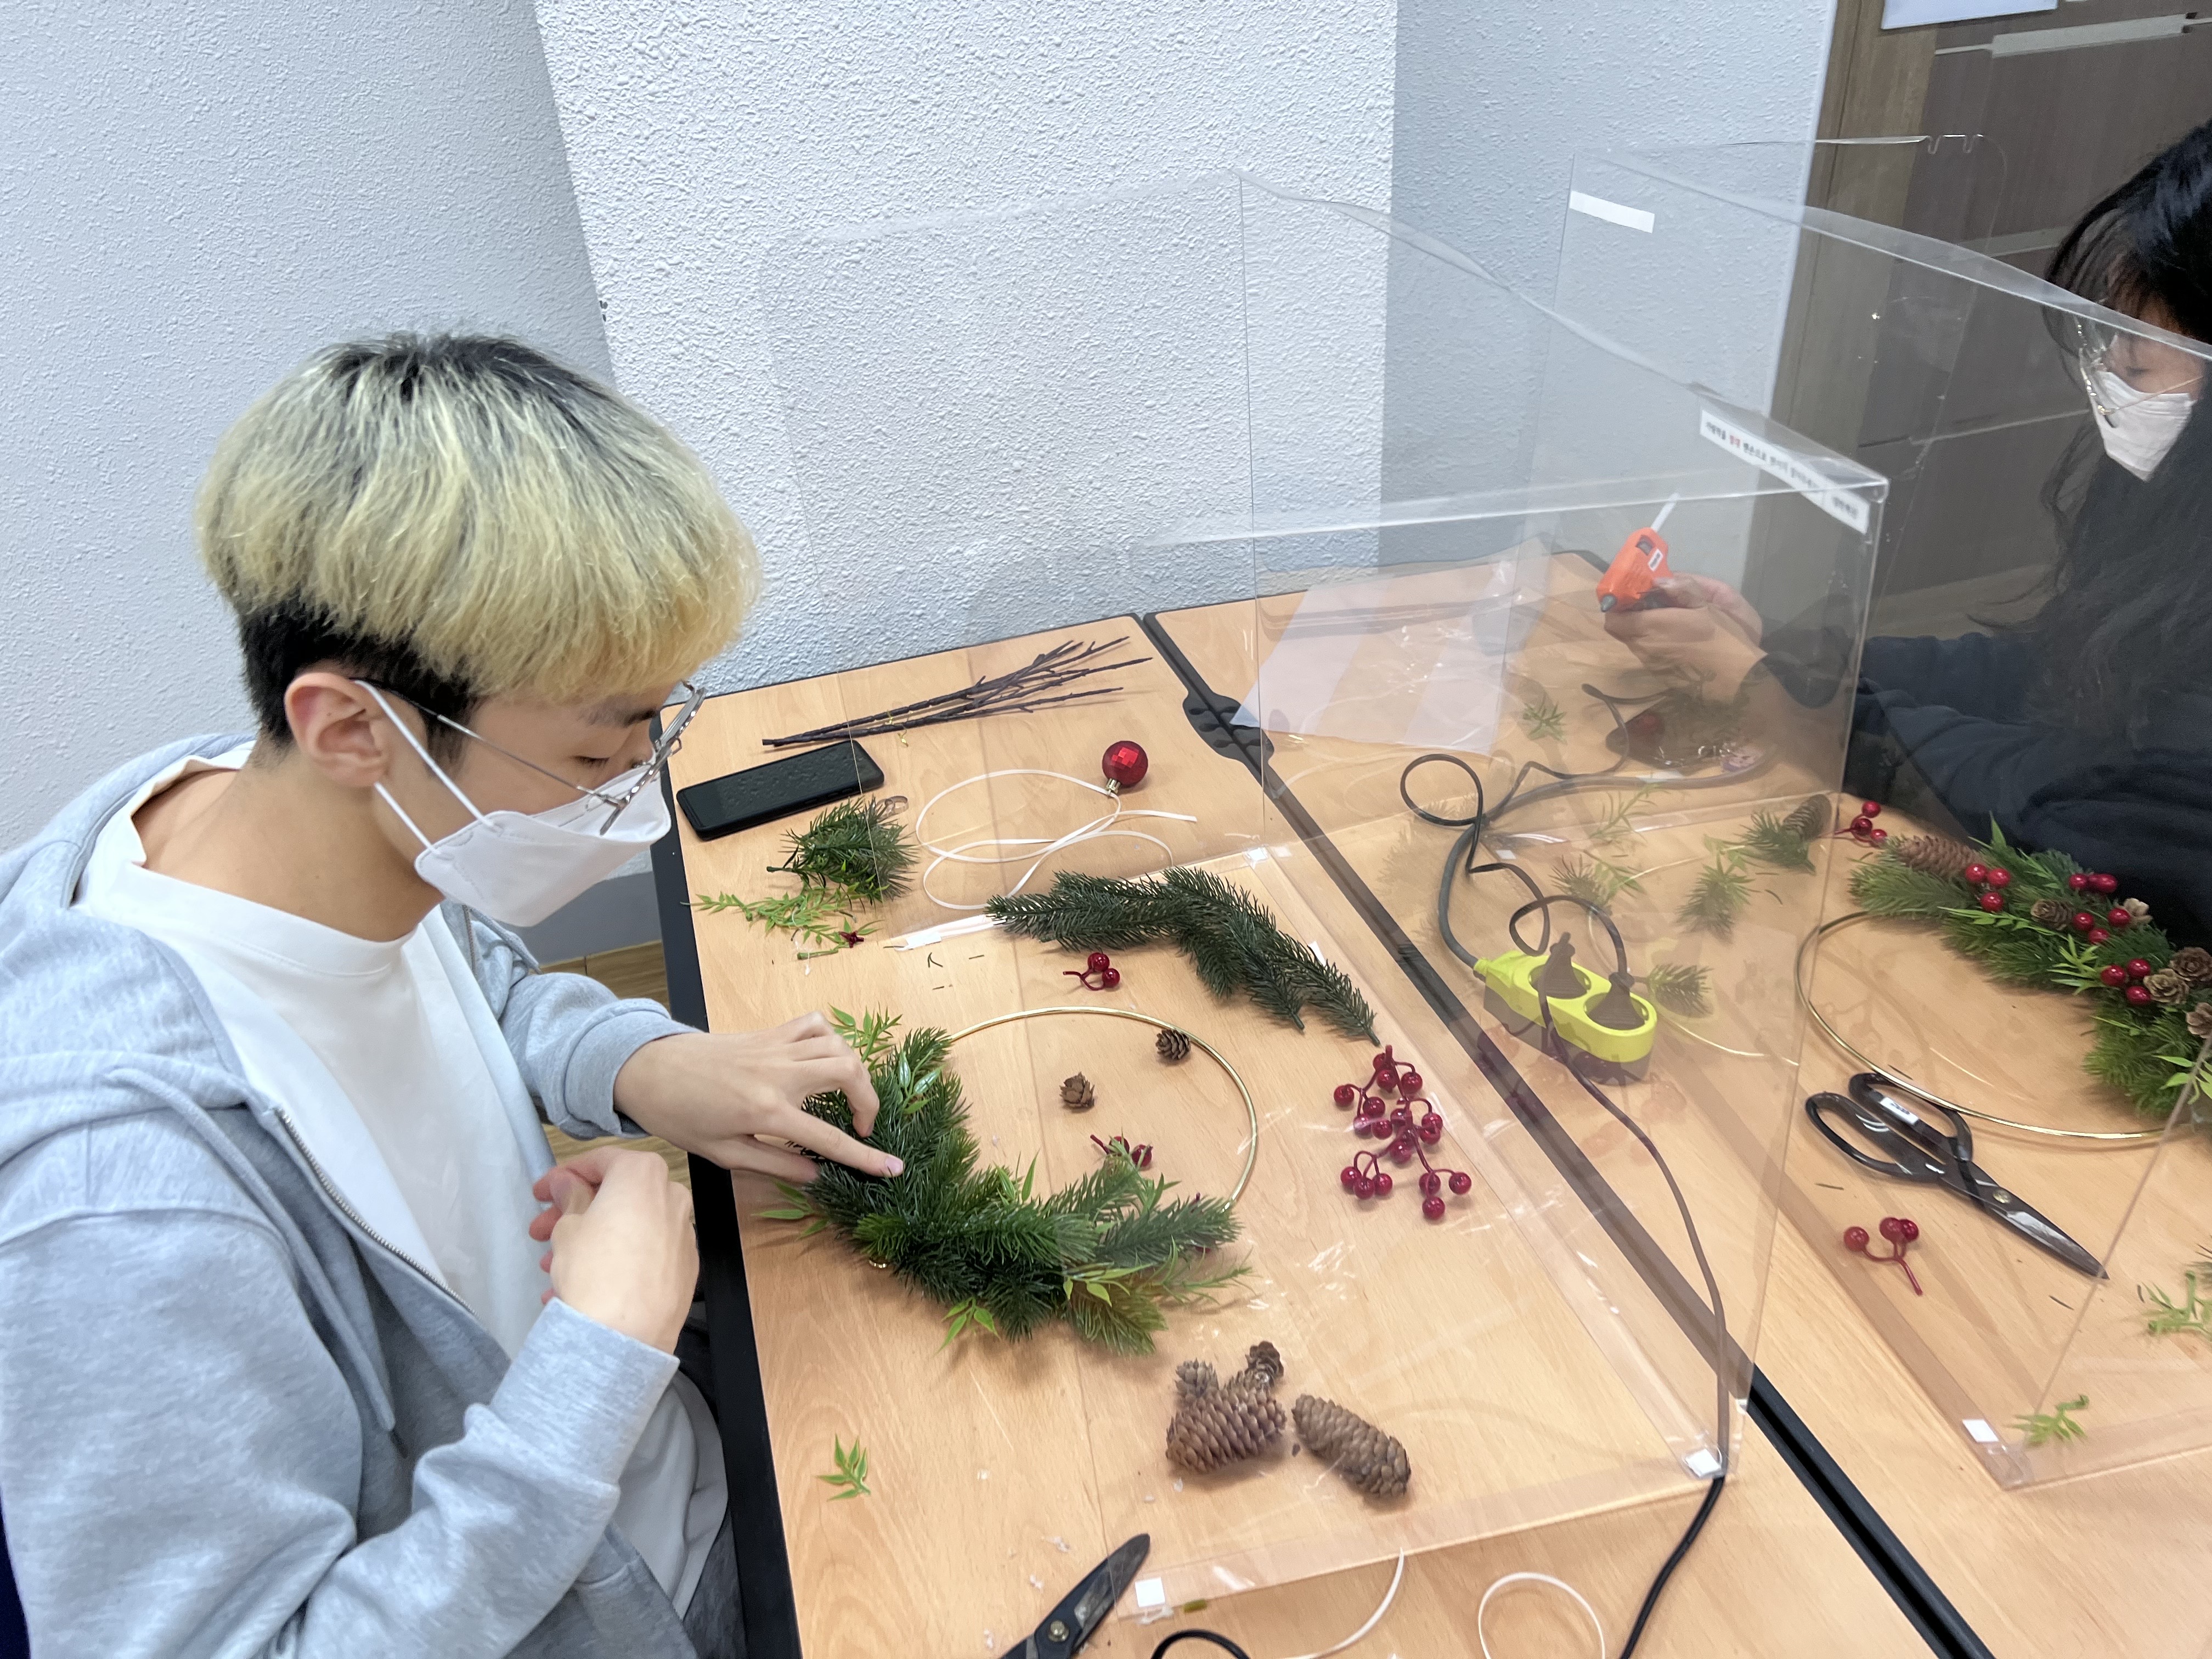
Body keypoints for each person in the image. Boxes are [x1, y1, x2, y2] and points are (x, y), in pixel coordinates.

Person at [0, 335, 904, 1657]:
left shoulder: (273, 808)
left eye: (652, 729)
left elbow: (464, 976)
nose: (638, 793)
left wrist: (634, 1064)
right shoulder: (122, 1203)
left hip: (679, 1475)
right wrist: (600, 1357)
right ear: (353, 727)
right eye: (594, 754)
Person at [1606, 119, 2212, 939]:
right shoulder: (2179, 516)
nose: (2109, 371)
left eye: (2136, 358)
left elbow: (2093, 814)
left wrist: (1777, 696)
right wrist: (1789, 655)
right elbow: (2066, 672)